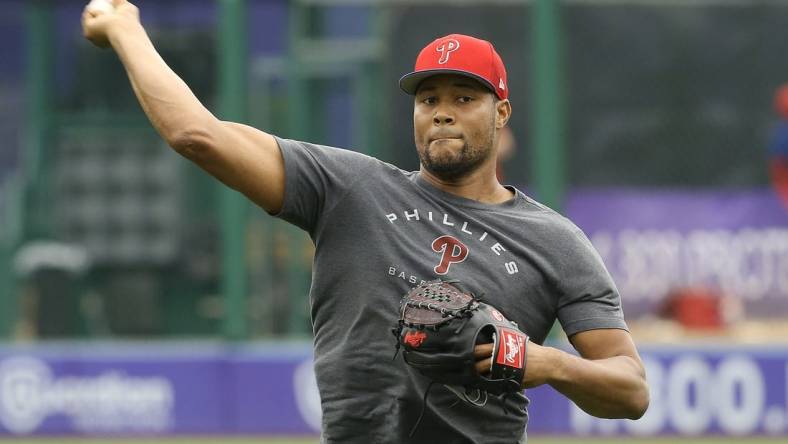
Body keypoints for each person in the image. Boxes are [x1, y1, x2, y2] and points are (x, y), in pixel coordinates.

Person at [82, 2, 649, 442]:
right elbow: (197, 136)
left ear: (501, 112)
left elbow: (630, 390)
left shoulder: (554, 240)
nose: (442, 110)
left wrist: (540, 360)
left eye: (463, 96)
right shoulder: (348, 189)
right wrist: (126, 28)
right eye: (428, 98)